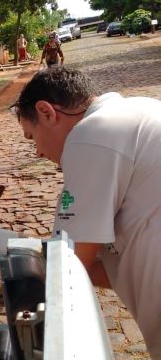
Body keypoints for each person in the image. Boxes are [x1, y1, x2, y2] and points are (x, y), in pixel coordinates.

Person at [11, 66, 161, 357]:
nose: (38, 153)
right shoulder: (142, 108)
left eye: (32, 138)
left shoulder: (90, 135)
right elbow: (108, 268)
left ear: (46, 112)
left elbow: (67, 265)